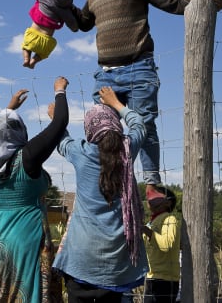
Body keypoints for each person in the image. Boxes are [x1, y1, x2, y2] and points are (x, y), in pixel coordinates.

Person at [69, 0, 222, 194]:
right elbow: (83, 23)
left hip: (138, 67)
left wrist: (208, 2)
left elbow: (172, 2)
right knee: (102, 126)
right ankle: (110, 180)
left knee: (143, 125)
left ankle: (152, 185)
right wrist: (62, 6)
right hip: (105, 75)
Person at [0, 76, 69, 302]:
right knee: (27, 291)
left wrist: (8, 109)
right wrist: (59, 91)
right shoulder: (27, 157)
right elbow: (59, 124)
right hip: (28, 236)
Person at [51, 86, 148, 303]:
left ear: (89, 130)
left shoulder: (81, 152)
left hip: (80, 259)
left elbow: (62, 139)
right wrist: (116, 104)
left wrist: (55, 117)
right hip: (115, 264)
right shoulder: (127, 150)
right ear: (115, 126)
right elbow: (139, 125)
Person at [22, 0, 78, 69]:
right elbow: (72, 23)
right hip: (46, 41)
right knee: (42, 54)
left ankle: (26, 59)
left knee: (26, 47)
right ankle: (33, 61)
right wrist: (75, 28)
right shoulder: (64, 11)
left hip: (32, 34)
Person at [141, 186, 181, 303]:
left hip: (166, 280)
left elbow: (166, 245)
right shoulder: (152, 221)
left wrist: (147, 231)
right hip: (151, 277)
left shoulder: (170, 219)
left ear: (167, 202)